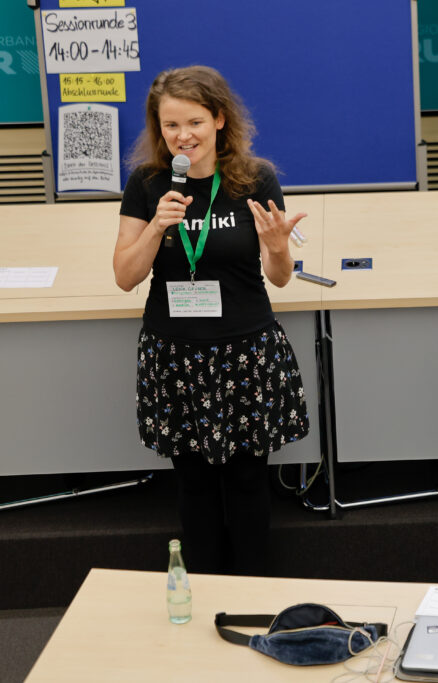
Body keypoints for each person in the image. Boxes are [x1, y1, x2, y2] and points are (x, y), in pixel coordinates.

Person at [113, 65, 309, 576]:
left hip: (244, 352)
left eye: (195, 122)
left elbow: (280, 278)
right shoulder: (148, 183)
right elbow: (124, 275)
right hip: (175, 354)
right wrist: (157, 226)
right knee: (194, 484)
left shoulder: (255, 178)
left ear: (219, 119)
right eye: (171, 126)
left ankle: (252, 595)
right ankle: (205, 598)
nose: (183, 136)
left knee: (247, 482)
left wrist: (278, 247)